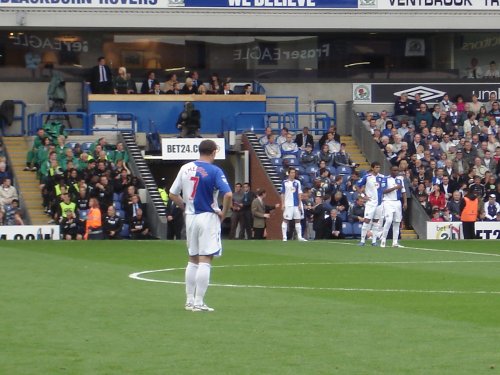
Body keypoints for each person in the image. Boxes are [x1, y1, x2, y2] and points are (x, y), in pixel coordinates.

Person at [169, 139, 232, 312]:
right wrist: (223, 214)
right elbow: (228, 194)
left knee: (192, 258)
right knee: (205, 259)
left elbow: (172, 194)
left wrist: (185, 207)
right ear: (213, 152)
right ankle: (198, 301)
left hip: (190, 217)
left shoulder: (185, 168)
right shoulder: (215, 170)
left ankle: (189, 300)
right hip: (207, 217)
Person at [379, 166, 407, 248]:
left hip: (397, 202)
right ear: (390, 170)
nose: (395, 172)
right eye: (394, 170)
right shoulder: (385, 179)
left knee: (397, 222)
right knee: (388, 220)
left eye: (397, 170)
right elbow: (383, 191)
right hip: (388, 201)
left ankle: (395, 242)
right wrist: (395, 187)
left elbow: (403, 191)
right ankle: (383, 239)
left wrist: (405, 202)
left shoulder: (400, 179)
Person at [356, 162, 384, 246]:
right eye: (376, 167)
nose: (378, 169)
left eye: (379, 167)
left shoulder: (382, 177)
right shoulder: (367, 177)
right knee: (367, 220)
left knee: (376, 222)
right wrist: (362, 195)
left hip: (379, 203)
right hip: (370, 203)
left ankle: (374, 241)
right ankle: (362, 240)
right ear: (372, 168)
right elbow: (357, 185)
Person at [280, 167, 307, 242]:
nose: (293, 174)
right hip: (288, 204)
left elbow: (299, 193)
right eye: (291, 172)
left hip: (296, 204)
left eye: (294, 173)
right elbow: (282, 194)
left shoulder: (297, 182)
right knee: (285, 220)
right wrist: (282, 204)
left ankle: (299, 237)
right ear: (288, 173)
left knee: (298, 220)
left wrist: (299, 204)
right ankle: (284, 237)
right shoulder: (285, 182)